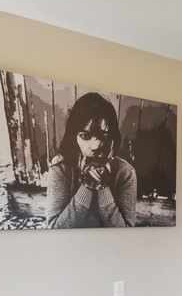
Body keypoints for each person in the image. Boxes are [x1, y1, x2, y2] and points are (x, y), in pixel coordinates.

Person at [46, 92, 137, 228]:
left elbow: (126, 232)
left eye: (103, 136)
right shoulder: (61, 167)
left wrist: (102, 187)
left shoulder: (125, 173)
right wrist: (86, 187)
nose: (95, 146)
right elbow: (54, 228)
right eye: (85, 136)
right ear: (74, 136)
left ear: (112, 137)